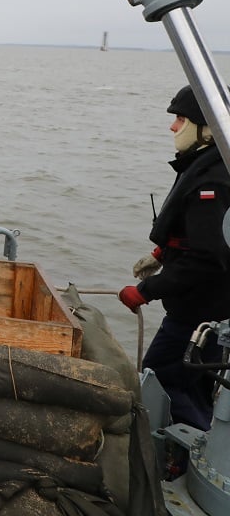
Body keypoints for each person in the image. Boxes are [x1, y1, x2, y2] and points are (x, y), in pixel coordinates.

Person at [120, 83, 230, 431]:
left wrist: (146, 290)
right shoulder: (209, 164)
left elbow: (205, 258)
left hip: (197, 316)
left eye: (181, 119)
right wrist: (159, 253)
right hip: (211, 315)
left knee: (160, 377)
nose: (172, 127)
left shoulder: (211, 183)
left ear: (206, 128)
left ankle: (192, 448)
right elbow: (200, 236)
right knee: (194, 385)